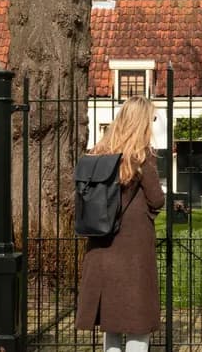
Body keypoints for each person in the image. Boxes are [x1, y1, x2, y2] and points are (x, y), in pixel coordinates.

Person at [75, 96, 165, 352]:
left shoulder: (97, 153)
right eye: (152, 118)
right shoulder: (141, 154)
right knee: (138, 319)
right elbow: (156, 200)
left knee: (111, 320)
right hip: (132, 249)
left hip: (101, 243)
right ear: (142, 121)